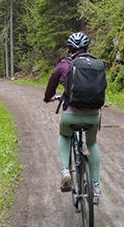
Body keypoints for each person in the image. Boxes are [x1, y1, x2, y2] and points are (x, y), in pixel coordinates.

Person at [44, 32, 103, 200]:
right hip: (93, 115)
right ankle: (96, 186)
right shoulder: (96, 65)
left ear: (69, 50)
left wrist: (47, 98)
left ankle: (65, 170)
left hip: (71, 115)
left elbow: (51, 86)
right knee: (91, 143)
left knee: (64, 135)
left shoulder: (64, 64)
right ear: (88, 48)